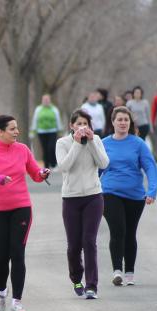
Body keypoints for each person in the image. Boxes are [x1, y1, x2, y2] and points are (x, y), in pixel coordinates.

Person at [0, 115, 50, 311]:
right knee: (1, 257)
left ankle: (17, 303)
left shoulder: (22, 149)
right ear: (0, 132)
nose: (17, 132)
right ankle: (1, 292)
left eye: (17, 128)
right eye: (13, 128)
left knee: (18, 254)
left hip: (21, 207)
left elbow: (35, 174)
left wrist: (42, 173)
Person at [100, 106, 157, 286]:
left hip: (135, 195)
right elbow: (96, 169)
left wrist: (152, 191)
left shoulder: (138, 143)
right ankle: (117, 270)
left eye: (126, 120)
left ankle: (130, 272)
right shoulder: (103, 143)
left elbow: (150, 167)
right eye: (119, 119)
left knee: (130, 233)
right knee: (118, 230)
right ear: (113, 122)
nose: (123, 123)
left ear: (130, 122)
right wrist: (89, 192)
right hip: (109, 192)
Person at [56, 109, 109, 299]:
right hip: (71, 198)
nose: (82, 127)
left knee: (89, 241)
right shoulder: (62, 143)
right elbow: (64, 166)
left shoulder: (97, 140)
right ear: (71, 126)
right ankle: (76, 278)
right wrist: (77, 144)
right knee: (73, 245)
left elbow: (103, 164)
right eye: (78, 124)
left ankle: (92, 286)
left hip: (93, 196)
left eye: (85, 124)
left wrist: (92, 142)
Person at [30, 94, 63, 169]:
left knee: (51, 147)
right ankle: (46, 165)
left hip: (52, 131)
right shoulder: (38, 109)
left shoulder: (54, 109)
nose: (46, 101)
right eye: (44, 100)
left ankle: (54, 164)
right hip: (41, 131)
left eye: (47, 99)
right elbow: (35, 120)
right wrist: (33, 130)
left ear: (50, 100)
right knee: (44, 148)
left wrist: (60, 130)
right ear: (42, 101)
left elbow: (58, 120)